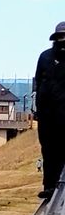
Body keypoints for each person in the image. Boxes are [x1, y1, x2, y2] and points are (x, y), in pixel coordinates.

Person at [34, 21, 65, 200]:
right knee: (49, 151)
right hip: (47, 115)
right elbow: (37, 82)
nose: (62, 41)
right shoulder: (45, 57)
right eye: (60, 37)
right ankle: (49, 185)